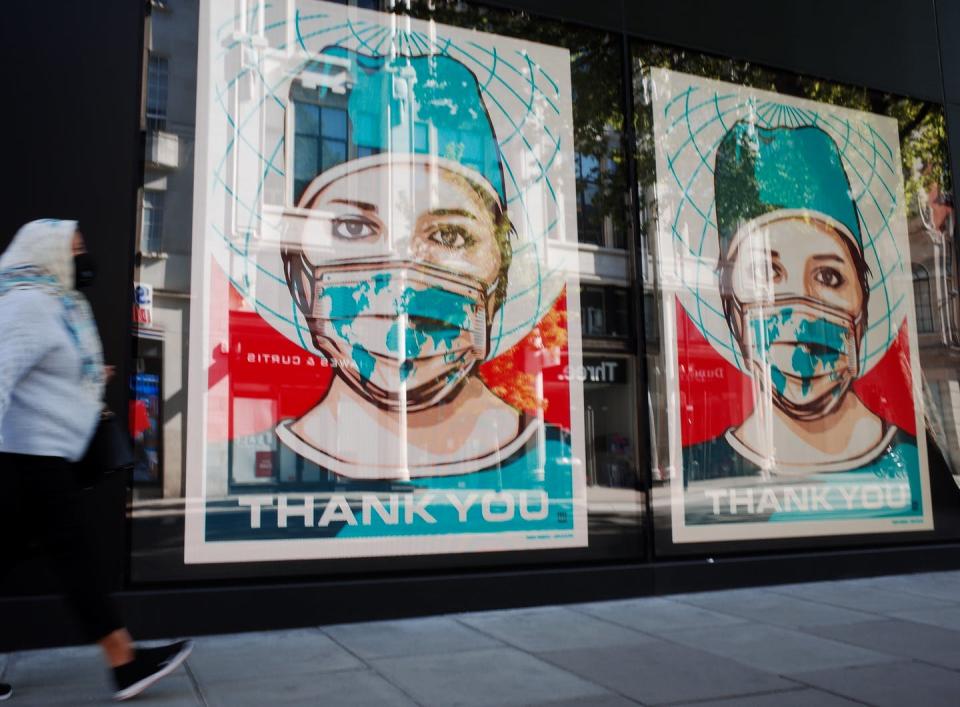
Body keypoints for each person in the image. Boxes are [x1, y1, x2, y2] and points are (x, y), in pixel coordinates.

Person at [681, 123, 922, 520]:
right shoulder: (695, 479)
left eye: (828, 276)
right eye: (764, 273)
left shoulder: (918, 474)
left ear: (862, 304)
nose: (800, 314)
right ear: (732, 310)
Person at [0, 219, 192, 701]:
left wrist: (87, 376)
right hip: (30, 457)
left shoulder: (57, 305)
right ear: (46, 252)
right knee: (75, 557)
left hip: (44, 456)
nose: (84, 256)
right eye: (75, 247)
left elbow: (44, 370)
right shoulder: (27, 305)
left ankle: (124, 662)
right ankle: (123, 661)